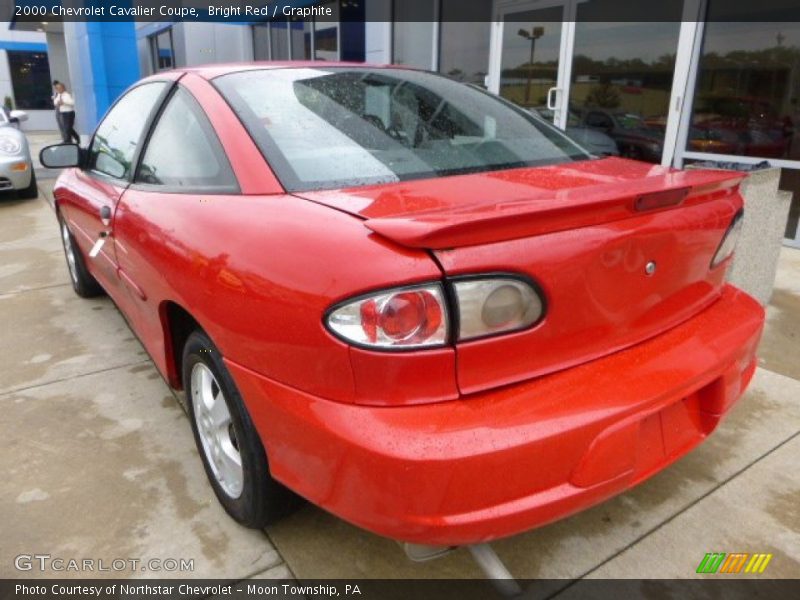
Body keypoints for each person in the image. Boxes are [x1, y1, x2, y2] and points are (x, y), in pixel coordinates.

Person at [52, 80, 80, 144]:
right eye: (57, 88)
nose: (58, 90)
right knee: (67, 127)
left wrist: (64, 102)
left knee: (67, 127)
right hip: (63, 113)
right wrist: (57, 102)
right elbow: (55, 102)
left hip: (69, 113)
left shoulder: (67, 95)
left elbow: (72, 103)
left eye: (59, 88)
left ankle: (67, 140)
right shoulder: (59, 95)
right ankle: (75, 138)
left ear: (63, 88)